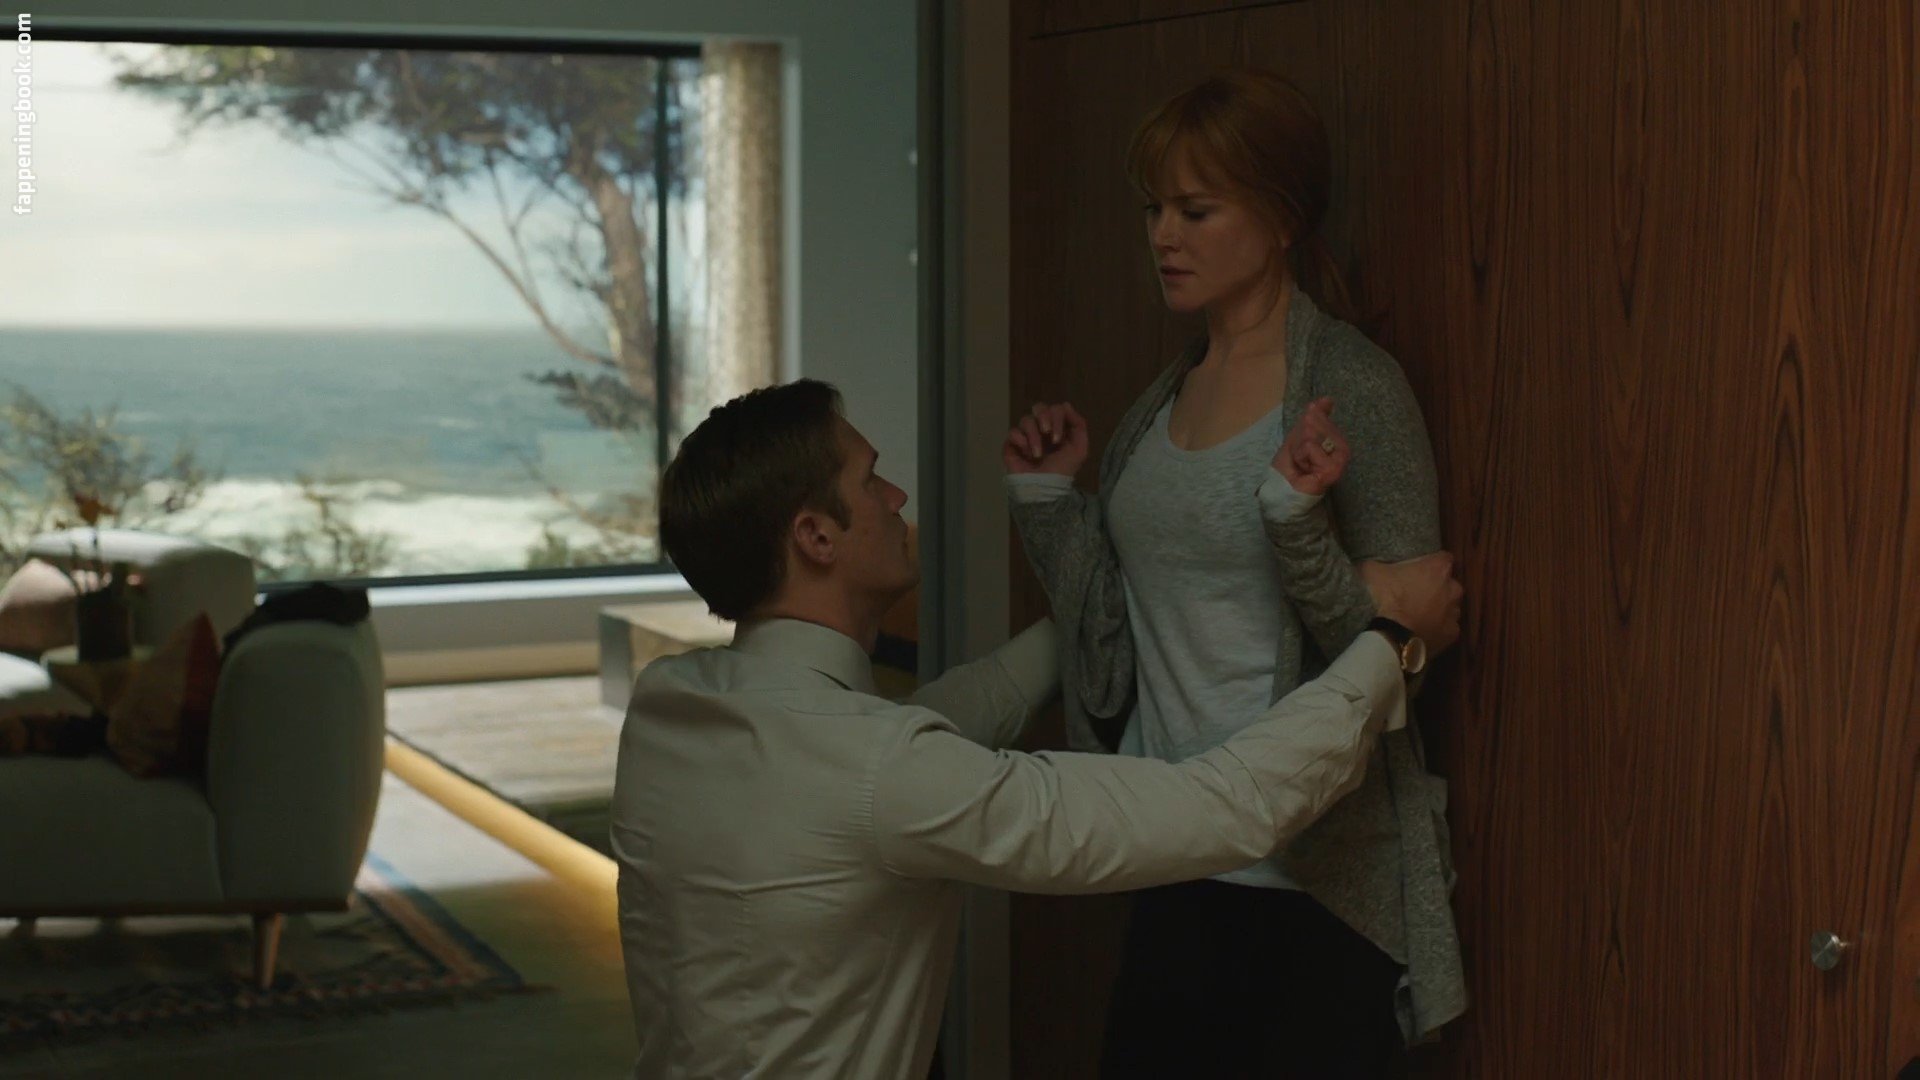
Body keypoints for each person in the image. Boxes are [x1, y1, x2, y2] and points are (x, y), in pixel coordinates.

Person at [611, 379, 1464, 1078]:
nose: (896, 496)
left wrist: (1135, 599)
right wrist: (1390, 645)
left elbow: (924, 723)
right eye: (871, 481)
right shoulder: (878, 769)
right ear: (816, 536)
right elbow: (1224, 808)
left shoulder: (667, 707)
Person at [1003, 69, 1467, 1076]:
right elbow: (1113, 633)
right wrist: (1045, 499)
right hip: (1175, 852)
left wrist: (1295, 524)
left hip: (1312, 880)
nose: (1164, 237)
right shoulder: (1163, 397)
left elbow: (1403, 646)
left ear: (1281, 217)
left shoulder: (1352, 387)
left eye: (1196, 210)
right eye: (1154, 210)